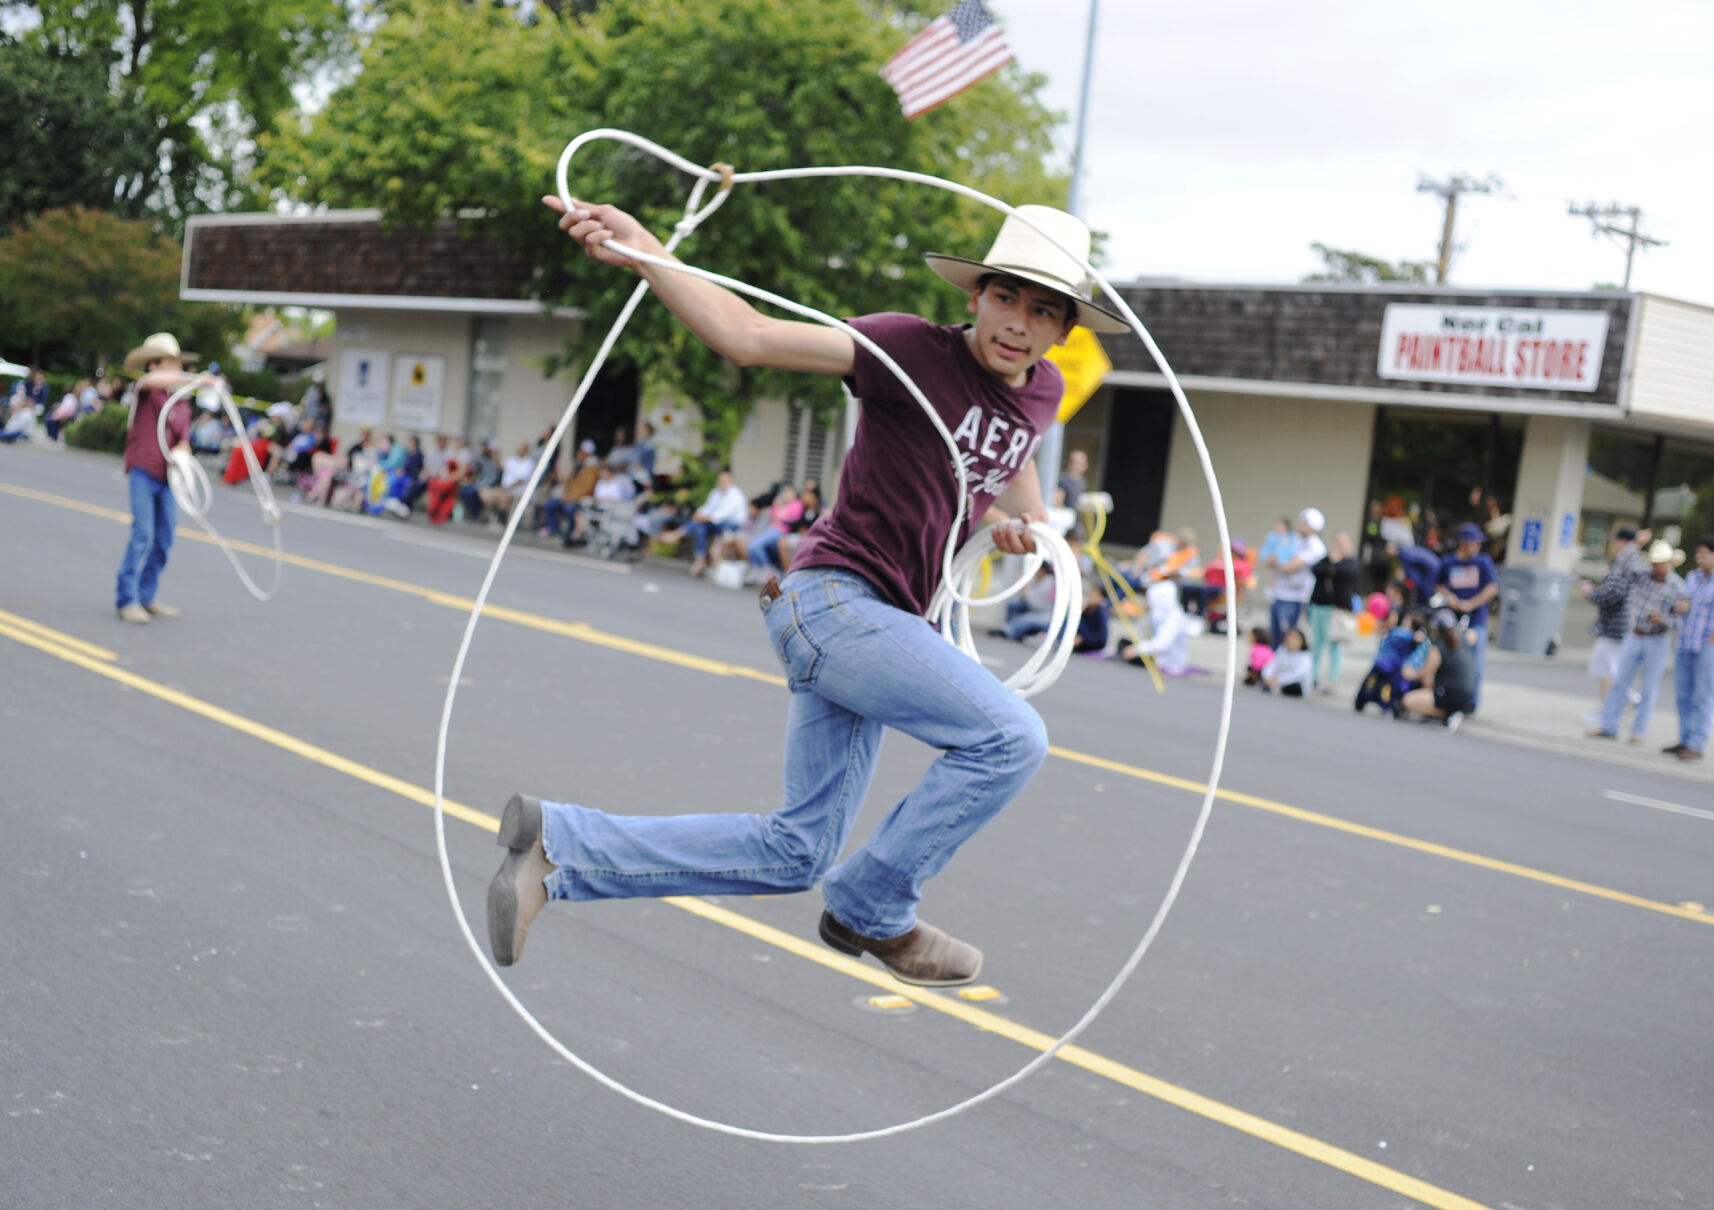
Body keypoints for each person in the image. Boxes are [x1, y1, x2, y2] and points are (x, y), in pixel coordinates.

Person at [485, 195, 1127, 985]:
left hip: (885, 625)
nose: (1018, 323)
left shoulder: (1043, 389)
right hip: (836, 601)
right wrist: (645, 247)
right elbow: (747, 337)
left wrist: (1027, 522)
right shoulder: (908, 350)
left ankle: (558, 850)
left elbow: (1013, 451)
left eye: (1043, 310)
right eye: (1005, 297)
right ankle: (874, 906)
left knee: (796, 853)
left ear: (1064, 330)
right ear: (975, 296)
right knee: (1012, 739)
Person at [114, 333, 203, 624]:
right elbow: (148, 382)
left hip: (168, 477)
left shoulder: (180, 404)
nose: (177, 369)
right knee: (142, 534)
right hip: (144, 469)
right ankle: (127, 599)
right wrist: (195, 380)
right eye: (170, 363)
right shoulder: (147, 390)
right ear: (154, 365)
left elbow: (183, 440)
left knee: (164, 538)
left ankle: (146, 595)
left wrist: (182, 451)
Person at [1591, 540, 1689, 745]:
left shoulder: (1679, 587)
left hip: (1657, 638)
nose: (1657, 567)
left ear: (1670, 563)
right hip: (1634, 635)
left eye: (1661, 563)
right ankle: (1609, 726)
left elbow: (1681, 621)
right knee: (1620, 681)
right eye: (1655, 563)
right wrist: (1635, 544)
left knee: (1649, 687)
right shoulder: (1641, 575)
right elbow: (1623, 565)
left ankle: (1639, 731)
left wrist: (1663, 619)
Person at [1580, 525, 1649, 725]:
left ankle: (1612, 708)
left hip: (1616, 624)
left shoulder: (1625, 560)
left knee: (1608, 669)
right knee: (1611, 668)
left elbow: (1614, 592)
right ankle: (1623, 704)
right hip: (1625, 624)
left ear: (1621, 541)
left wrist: (1591, 593)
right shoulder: (1636, 560)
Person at [1436, 523, 1499, 704]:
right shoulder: (1448, 562)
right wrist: (1451, 599)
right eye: (1472, 543)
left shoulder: (1483, 562)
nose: (1476, 546)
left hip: (1476, 620)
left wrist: (1470, 604)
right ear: (1462, 543)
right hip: (1452, 622)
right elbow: (1438, 586)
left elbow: (1492, 588)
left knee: (1476, 663)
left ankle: (1472, 702)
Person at [1664, 536, 1713, 761]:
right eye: (1698, 554)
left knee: (1703, 696)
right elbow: (1683, 601)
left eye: (1704, 554)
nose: (1700, 558)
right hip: (1686, 642)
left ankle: (1696, 743)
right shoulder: (1692, 577)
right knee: (1683, 695)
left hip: (1707, 646)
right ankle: (1684, 740)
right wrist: (1680, 607)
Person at [1402, 609, 1477, 732]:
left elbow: (1425, 673)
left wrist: (1410, 675)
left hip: (1449, 695)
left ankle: (1446, 715)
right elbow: (1473, 635)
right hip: (1468, 697)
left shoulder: (1438, 649)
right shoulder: (1464, 642)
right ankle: (1450, 712)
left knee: (1408, 700)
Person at [1307, 530, 1360, 693]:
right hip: (1318, 606)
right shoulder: (1326, 559)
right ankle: (1312, 676)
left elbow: (1345, 575)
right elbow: (1316, 570)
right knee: (1317, 643)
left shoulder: (1351, 563)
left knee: (1335, 645)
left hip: (1337, 610)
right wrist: (1331, 561)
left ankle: (1332, 680)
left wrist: (1334, 564)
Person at [1268, 508, 1326, 649]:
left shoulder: (1316, 546)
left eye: (1306, 523)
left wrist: (1283, 563)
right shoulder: (1295, 539)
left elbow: (1290, 566)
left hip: (1295, 597)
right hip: (1279, 592)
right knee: (1274, 636)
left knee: (1288, 636)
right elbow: (1270, 559)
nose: (1301, 525)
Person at [1115, 580, 1194, 677]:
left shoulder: (1174, 617)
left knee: (1131, 650)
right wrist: (1143, 613)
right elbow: (1142, 633)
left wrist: (1136, 649)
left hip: (1169, 663)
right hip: (1157, 657)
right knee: (1123, 643)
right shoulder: (1160, 615)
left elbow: (1162, 644)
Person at [683, 468, 750, 578]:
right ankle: (700, 558)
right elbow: (708, 508)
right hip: (717, 523)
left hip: (732, 525)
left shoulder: (736, 495)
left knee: (704, 524)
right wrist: (699, 513)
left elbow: (723, 514)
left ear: (731, 480)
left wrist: (705, 517)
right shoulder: (716, 492)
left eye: (725, 479)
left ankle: (681, 532)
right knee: (701, 527)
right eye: (721, 479)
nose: (723, 482)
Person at [1260, 628, 1312, 696]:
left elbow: (1297, 674)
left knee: (1294, 686)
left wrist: (1278, 680)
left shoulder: (1305, 656)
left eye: (1295, 638)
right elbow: (1271, 664)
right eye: (1290, 637)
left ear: (1302, 641)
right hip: (1276, 680)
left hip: (1294, 683)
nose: (1292, 640)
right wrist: (1268, 676)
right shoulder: (1282, 650)